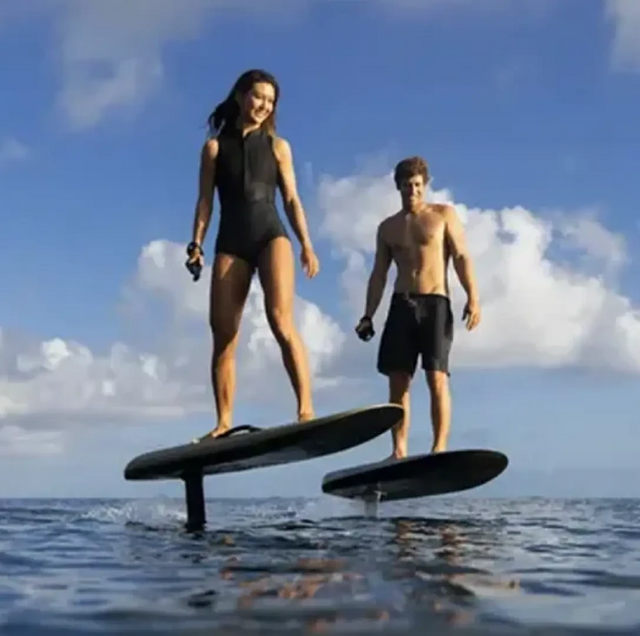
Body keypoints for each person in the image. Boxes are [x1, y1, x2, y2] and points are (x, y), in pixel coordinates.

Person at [185, 69, 320, 441]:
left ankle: (306, 410)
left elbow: (291, 199)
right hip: (231, 241)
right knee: (224, 334)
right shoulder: (214, 148)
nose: (264, 105)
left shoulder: (278, 146)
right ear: (241, 96)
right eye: (258, 96)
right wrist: (196, 243)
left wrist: (306, 243)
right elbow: (204, 201)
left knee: (280, 320)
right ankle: (224, 422)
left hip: (270, 235)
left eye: (270, 101)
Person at [355, 156, 480, 459]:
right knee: (398, 381)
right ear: (398, 187)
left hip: (435, 302)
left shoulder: (443, 215)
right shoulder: (388, 227)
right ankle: (398, 451)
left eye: (417, 185)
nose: (412, 191)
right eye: (407, 185)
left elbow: (461, 256)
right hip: (402, 304)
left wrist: (473, 296)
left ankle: (439, 448)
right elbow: (379, 273)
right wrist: (368, 315)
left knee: (436, 377)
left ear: (425, 185)